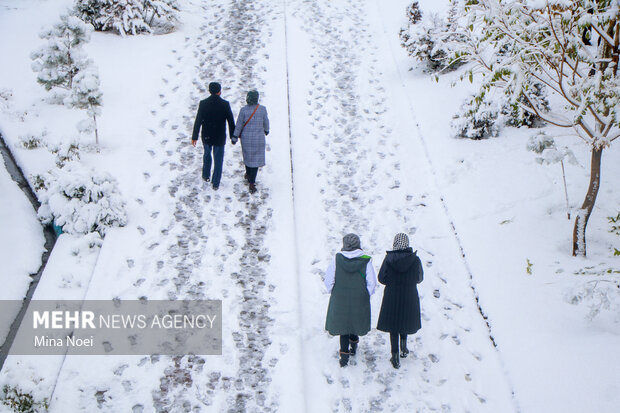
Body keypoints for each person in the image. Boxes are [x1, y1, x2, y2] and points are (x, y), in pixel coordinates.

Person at [324, 233, 377, 367]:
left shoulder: (337, 259)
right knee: (354, 321)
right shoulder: (366, 261)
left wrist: (334, 292)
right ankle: (353, 345)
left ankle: (344, 357)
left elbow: (329, 280)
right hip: (359, 297)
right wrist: (365, 294)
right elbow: (371, 282)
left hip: (340, 297)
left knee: (343, 326)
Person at [376, 233, 423, 369]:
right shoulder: (415, 260)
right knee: (404, 320)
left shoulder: (389, 259)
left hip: (392, 295)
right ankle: (404, 347)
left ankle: (395, 355)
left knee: (393, 324)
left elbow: (381, 278)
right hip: (409, 295)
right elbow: (419, 278)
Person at [191, 82, 235, 190]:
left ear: (209, 91)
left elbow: (198, 121)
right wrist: (233, 137)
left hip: (207, 135)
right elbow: (230, 121)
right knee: (218, 159)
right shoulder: (225, 104)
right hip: (219, 137)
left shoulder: (203, 103)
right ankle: (215, 182)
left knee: (207, 155)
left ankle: (206, 175)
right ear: (220, 91)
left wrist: (194, 136)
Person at [232, 90, 269, 194]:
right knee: (255, 160)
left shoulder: (243, 110)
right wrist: (266, 130)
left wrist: (234, 137)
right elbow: (266, 122)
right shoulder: (262, 109)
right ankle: (252, 182)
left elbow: (239, 125)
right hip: (258, 139)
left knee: (248, 157)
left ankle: (248, 173)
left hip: (246, 139)